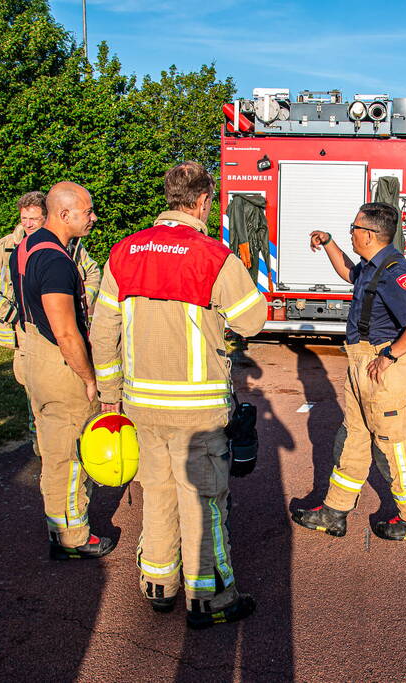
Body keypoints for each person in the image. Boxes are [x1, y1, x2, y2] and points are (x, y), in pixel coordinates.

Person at [90, 161, 266, 628]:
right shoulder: (213, 256)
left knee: (157, 493)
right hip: (198, 406)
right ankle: (210, 598)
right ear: (204, 201)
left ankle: (158, 584)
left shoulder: (124, 253)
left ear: (169, 196)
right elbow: (252, 320)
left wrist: (110, 394)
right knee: (203, 500)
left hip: (140, 402)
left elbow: (102, 332)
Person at [292, 202, 406, 541]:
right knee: (353, 438)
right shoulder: (371, 266)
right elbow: (347, 272)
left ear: (369, 235)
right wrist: (328, 242)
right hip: (361, 363)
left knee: (393, 445)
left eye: (354, 228)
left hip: (380, 368)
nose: (350, 232)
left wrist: (390, 355)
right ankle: (335, 510)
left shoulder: (392, 270)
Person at [10, 182, 111, 560]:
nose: (93, 218)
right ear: (64, 214)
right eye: (87, 212)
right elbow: (66, 331)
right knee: (67, 455)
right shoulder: (55, 260)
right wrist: (88, 377)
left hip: (33, 355)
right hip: (58, 364)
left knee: (53, 449)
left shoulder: (25, 246)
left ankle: (61, 524)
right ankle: (71, 535)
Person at [0, 191, 101, 455]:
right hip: (40, 343)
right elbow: (65, 333)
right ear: (62, 215)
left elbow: (91, 273)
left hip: (40, 339)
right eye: (25, 219)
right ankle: (45, 445)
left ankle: (44, 446)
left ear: (47, 217)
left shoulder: (67, 247)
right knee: (58, 425)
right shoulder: (14, 248)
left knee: (45, 409)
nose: (29, 224)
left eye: (34, 219)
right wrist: (9, 312)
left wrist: (81, 301)